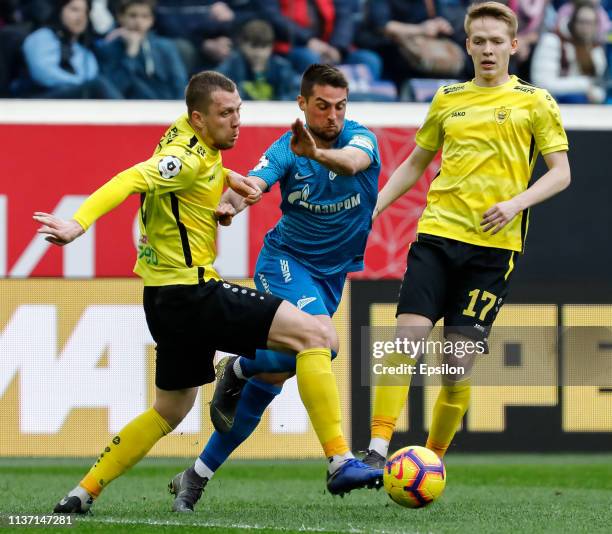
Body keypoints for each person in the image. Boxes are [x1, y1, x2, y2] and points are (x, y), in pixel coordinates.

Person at [36, 70, 381, 515]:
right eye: (226, 113)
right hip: (196, 292)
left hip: (162, 299)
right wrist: (77, 223)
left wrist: (231, 186)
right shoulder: (185, 158)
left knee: (169, 410)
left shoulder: (187, 138)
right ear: (199, 117)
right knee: (319, 339)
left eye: (239, 111)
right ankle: (339, 460)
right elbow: (131, 179)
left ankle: (81, 494)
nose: (236, 121)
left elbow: (205, 168)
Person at [360, 1, 571, 469]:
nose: (489, 49)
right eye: (480, 41)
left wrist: (515, 204)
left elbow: (561, 173)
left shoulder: (535, 102)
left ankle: (432, 459)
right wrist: (376, 207)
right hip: (436, 236)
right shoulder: (448, 98)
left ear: (514, 46)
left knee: (455, 367)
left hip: (494, 250)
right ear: (468, 45)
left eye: (498, 41)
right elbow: (416, 162)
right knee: (406, 339)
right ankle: (376, 450)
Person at [167, 64, 382, 512]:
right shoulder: (287, 148)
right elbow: (254, 184)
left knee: (274, 375)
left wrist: (319, 153)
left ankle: (197, 472)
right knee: (323, 341)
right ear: (302, 105)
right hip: (285, 263)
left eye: (340, 106)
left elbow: (353, 163)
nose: (333, 116)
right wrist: (229, 204)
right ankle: (339, 459)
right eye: (322, 106)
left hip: (329, 276)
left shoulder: (361, 140)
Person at [18, 0, 122, 98]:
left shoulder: (83, 50)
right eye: (74, 10)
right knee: (98, 85)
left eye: (85, 12)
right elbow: (43, 74)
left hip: (75, 103)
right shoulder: (41, 37)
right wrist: (80, 85)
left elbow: (91, 77)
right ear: (60, 11)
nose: (81, 17)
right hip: (40, 99)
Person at [96, 0, 188, 99]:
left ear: (152, 20)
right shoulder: (109, 49)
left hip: (166, 106)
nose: (138, 21)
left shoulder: (165, 47)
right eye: (132, 15)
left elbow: (179, 83)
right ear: (120, 18)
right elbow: (115, 88)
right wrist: (130, 54)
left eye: (144, 16)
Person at [531, 1, 607, 103]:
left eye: (591, 23)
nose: (586, 28)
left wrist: (596, 94)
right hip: (551, 103)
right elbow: (542, 83)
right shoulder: (553, 41)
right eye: (582, 22)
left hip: (586, 108)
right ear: (573, 21)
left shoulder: (595, 48)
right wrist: (584, 85)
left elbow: (599, 84)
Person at [217, 18, 296, 101]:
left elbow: (293, 93)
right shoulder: (232, 65)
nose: (258, 53)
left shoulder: (281, 67)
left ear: (271, 47)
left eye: (263, 47)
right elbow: (216, 87)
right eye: (253, 46)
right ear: (242, 45)